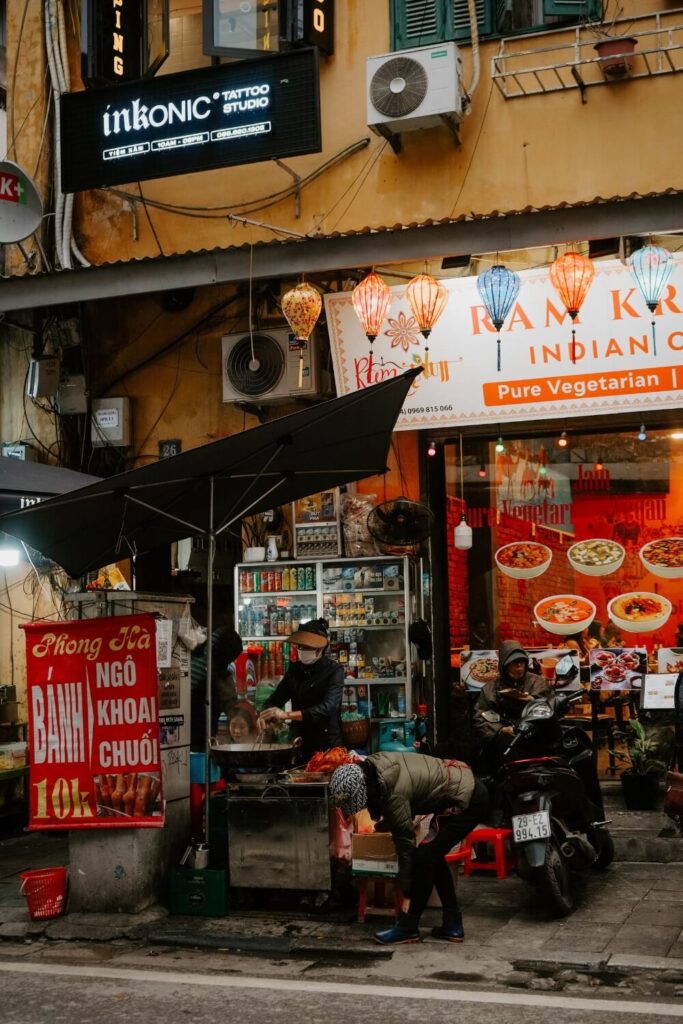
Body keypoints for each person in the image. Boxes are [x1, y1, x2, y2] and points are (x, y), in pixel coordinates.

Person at [329, 752, 490, 944]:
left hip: (468, 800)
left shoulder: (392, 791)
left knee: (423, 857)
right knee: (433, 855)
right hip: (462, 788)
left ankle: (409, 926)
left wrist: (407, 891)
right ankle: (452, 925)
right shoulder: (375, 769)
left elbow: (406, 845)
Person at [257, 618, 344, 760]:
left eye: (307, 647)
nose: (302, 651)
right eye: (300, 646)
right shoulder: (294, 670)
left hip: (327, 747)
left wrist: (286, 715)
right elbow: (275, 699)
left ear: (320, 649)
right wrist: (264, 714)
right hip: (298, 743)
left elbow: (329, 707)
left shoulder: (334, 670)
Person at [472, 640, 551, 769]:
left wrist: (534, 701)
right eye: (514, 663)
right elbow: (480, 718)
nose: (519, 666)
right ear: (504, 665)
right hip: (504, 743)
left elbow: (552, 709)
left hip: (534, 739)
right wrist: (500, 730)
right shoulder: (490, 689)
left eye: (522, 662)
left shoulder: (538, 682)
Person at [190, 619, 243, 749]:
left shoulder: (194, 656)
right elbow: (232, 708)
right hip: (200, 736)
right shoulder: (220, 677)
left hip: (193, 733)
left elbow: (233, 709)